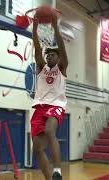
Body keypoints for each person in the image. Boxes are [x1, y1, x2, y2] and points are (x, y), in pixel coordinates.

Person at [31, 12, 68, 180]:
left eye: (52, 54)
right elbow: (37, 48)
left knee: (50, 130)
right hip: (39, 107)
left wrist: (55, 27)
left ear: (59, 57)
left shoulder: (61, 68)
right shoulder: (41, 68)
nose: (49, 56)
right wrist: (35, 28)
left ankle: (57, 171)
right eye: (48, 55)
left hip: (56, 106)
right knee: (37, 149)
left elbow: (61, 46)